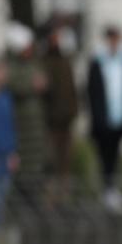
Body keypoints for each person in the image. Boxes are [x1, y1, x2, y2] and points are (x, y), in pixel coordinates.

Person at [87, 25, 122, 211]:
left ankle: (113, 189)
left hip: (120, 117)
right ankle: (106, 189)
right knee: (105, 155)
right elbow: (92, 93)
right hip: (103, 120)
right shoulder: (98, 61)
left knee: (115, 155)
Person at [4, 22, 47, 197]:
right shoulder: (10, 66)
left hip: (34, 128)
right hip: (20, 127)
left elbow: (41, 80)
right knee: (22, 172)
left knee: (35, 170)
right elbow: (13, 84)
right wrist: (32, 85)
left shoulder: (31, 64)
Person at [43, 21, 79, 204]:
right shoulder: (45, 62)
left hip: (66, 120)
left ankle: (64, 199)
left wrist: (73, 111)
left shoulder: (66, 61)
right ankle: (50, 199)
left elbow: (72, 90)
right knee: (51, 162)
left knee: (65, 163)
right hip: (51, 122)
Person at [0, 61, 18, 227]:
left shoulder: (6, 98)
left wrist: (13, 152)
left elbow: (11, 126)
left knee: (1, 204)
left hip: (6, 158)